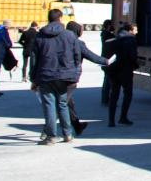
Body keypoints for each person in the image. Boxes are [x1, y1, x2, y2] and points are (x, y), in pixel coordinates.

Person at [30, 9, 105, 145]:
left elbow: (34, 59)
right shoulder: (70, 36)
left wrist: (33, 79)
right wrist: (74, 72)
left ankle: (51, 136)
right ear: (60, 18)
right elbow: (77, 55)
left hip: (46, 75)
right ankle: (68, 134)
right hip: (65, 76)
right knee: (62, 104)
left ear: (48, 18)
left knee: (49, 105)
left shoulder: (40, 36)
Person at [63, 20, 103, 136]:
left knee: (68, 102)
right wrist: (106, 61)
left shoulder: (60, 40)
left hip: (55, 75)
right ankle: (50, 131)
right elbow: (91, 56)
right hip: (68, 77)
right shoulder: (78, 43)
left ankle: (77, 125)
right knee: (62, 103)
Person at [106, 22, 138, 127]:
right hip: (126, 71)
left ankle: (111, 120)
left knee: (114, 94)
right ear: (130, 30)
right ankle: (123, 117)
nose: (137, 32)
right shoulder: (131, 40)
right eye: (135, 30)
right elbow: (132, 56)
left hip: (114, 70)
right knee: (128, 94)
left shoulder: (115, 39)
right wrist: (136, 65)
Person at [99, 19, 116, 105]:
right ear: (109, 26)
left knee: (107, 80)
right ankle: (107, 99)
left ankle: (105, 99)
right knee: (109, 81)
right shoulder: (108, 36)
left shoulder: (104, 34)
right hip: (109, 60)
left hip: (105, 59)